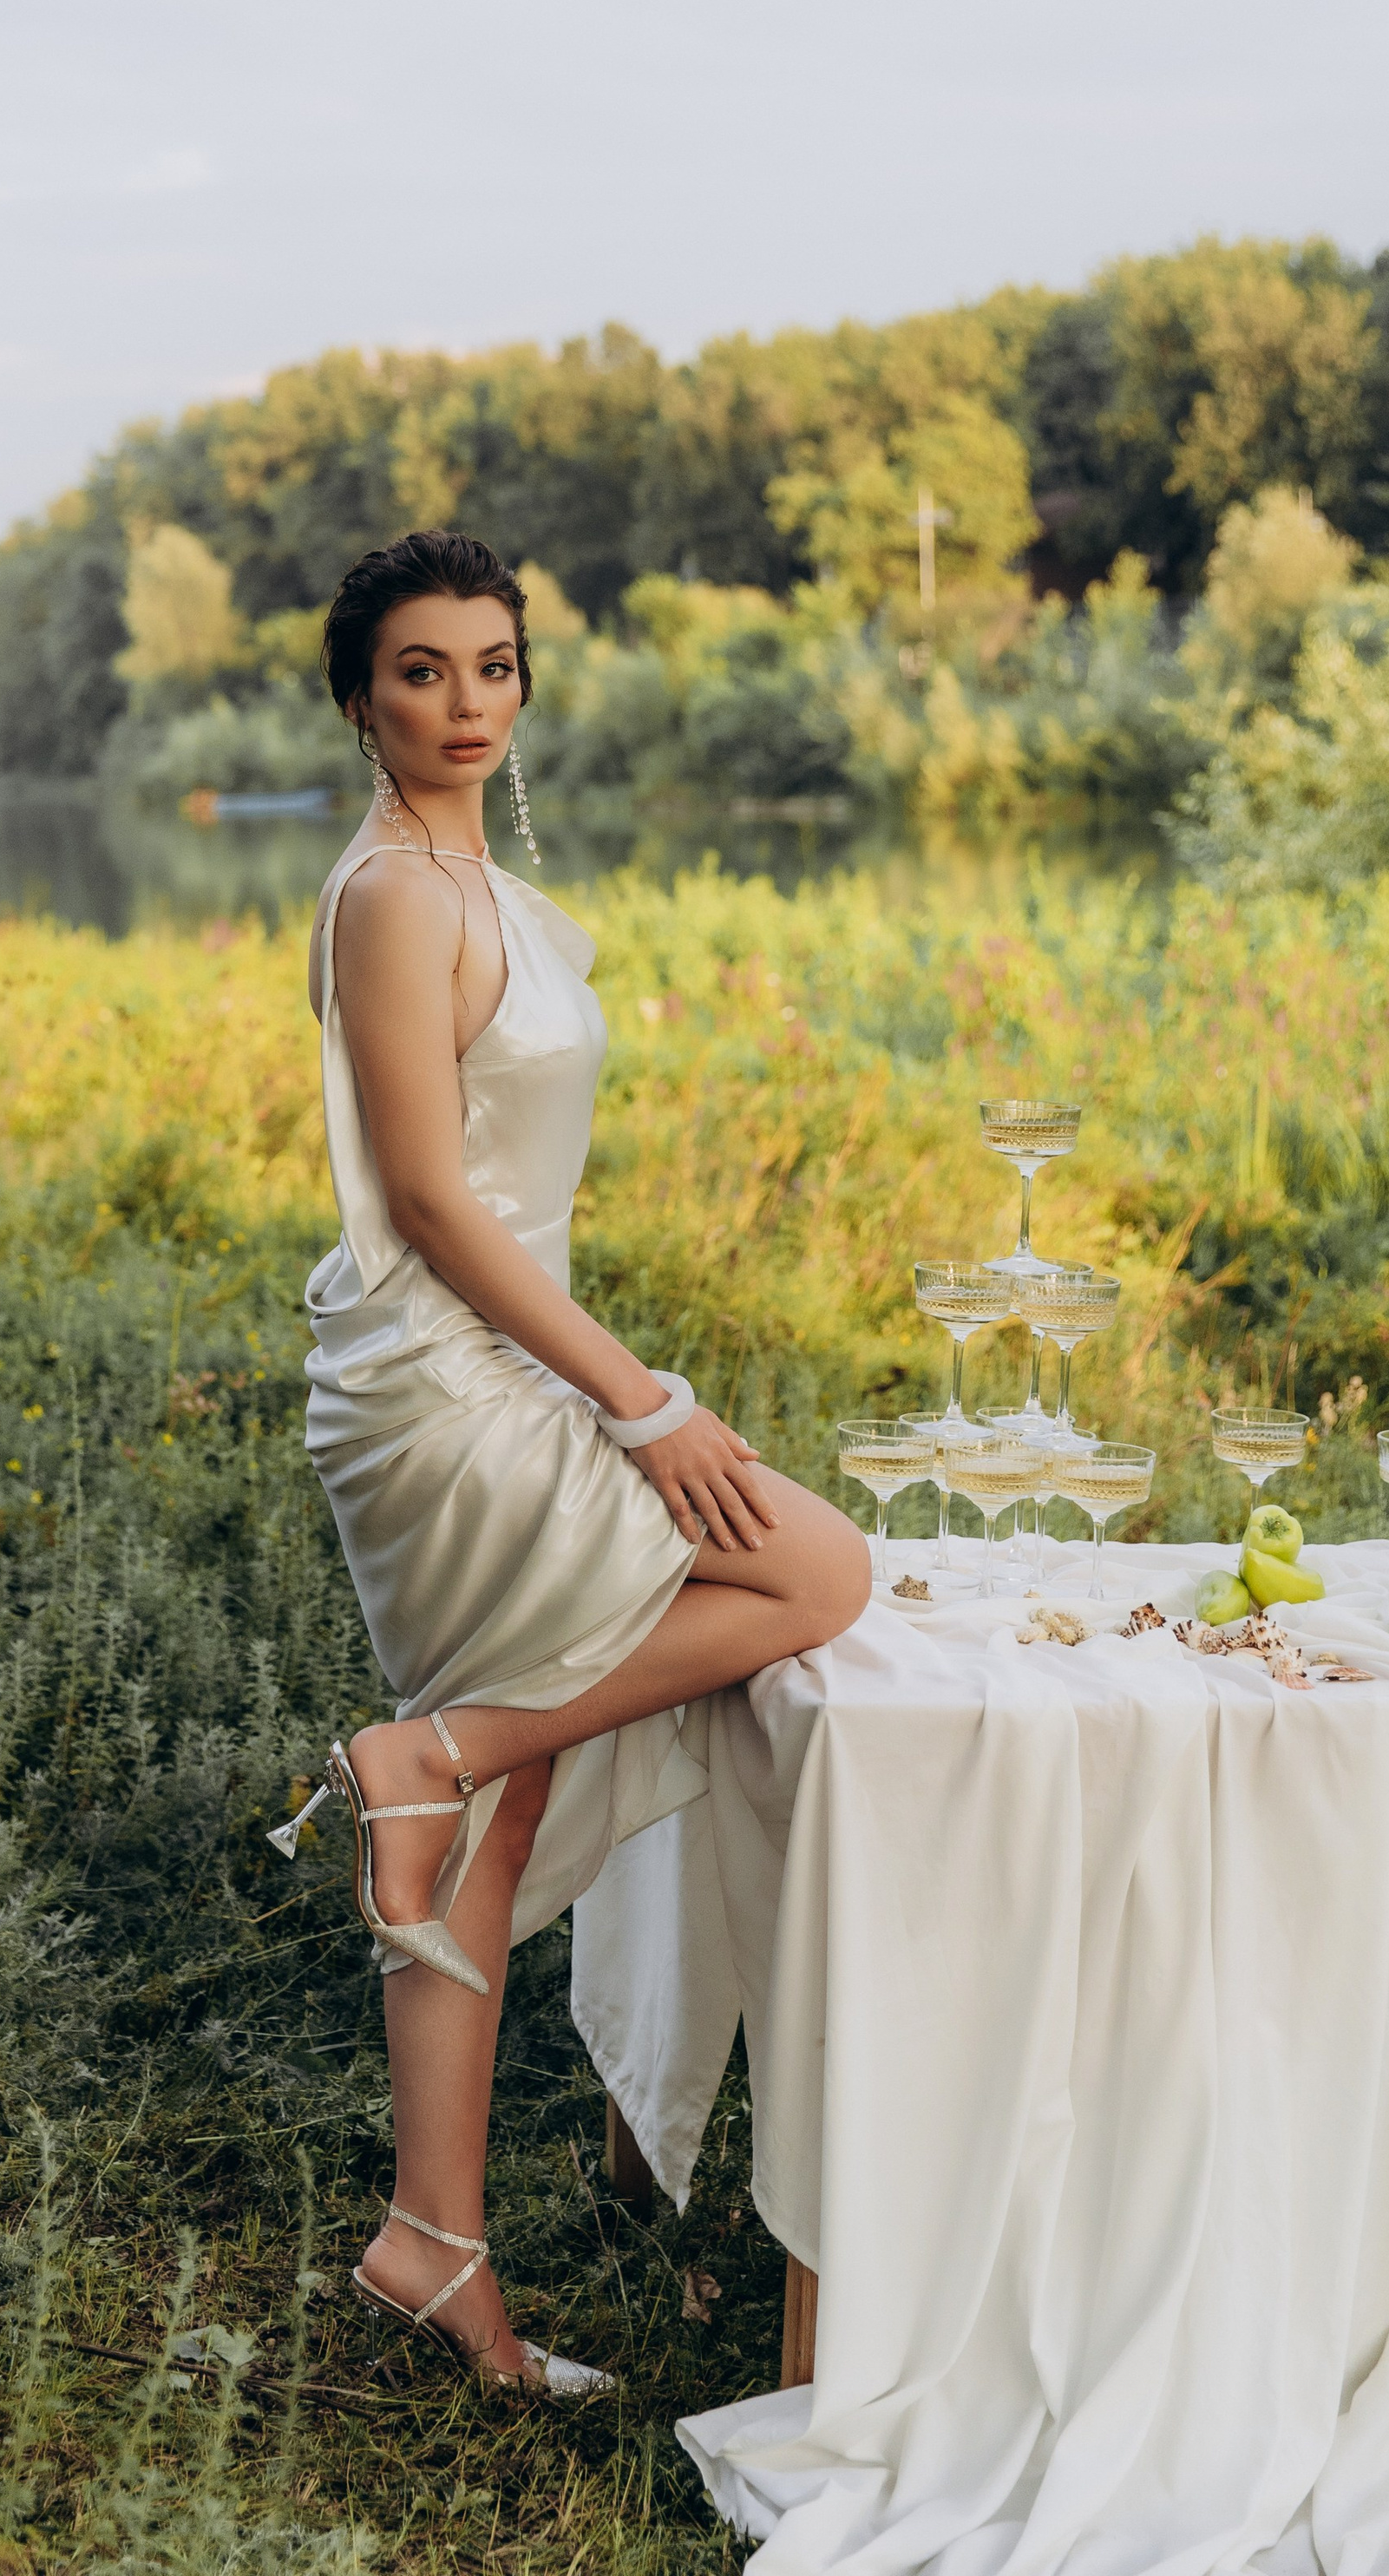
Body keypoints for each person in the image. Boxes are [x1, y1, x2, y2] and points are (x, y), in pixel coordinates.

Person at [270, 528, 869, 2395]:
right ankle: (417, 1759)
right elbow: (436, 1205)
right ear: (357, 696)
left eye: (494, 665)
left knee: (500, 1806)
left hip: (492, 1364)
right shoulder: (391, 897)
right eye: (421, 671)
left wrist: (618, 1382)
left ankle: (429, 2246)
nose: (463, 704)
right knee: (815, 1570)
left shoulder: (481, 881)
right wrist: (643, 1402)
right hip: (435, 1391)